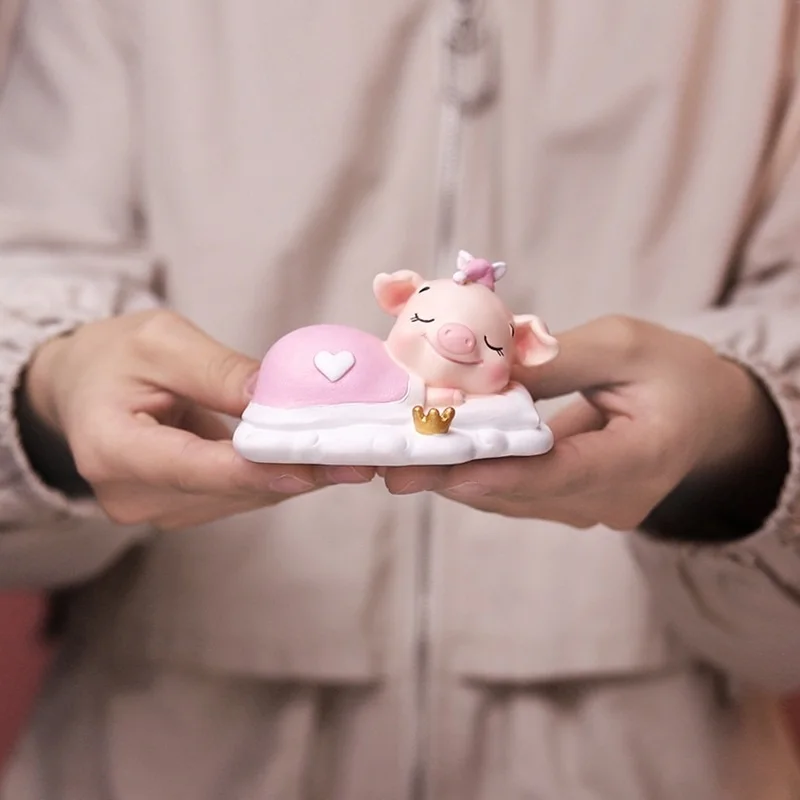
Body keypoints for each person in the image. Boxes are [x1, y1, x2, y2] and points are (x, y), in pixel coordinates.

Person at [0, 0, 799, 797]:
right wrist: (48, 394)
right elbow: (29, 257)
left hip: (656, 757)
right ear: (399, 303)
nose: (452, 343)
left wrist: (742, 438)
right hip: (167, 751)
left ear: (522, 344)